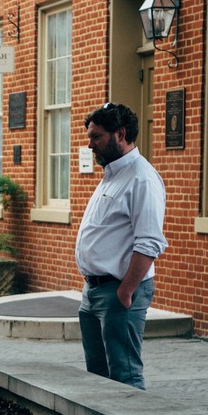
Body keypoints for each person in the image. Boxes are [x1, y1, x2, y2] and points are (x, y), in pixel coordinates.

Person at [74, 102, 167, 390]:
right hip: (94, 291)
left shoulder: (141, 178)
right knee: (98, 378)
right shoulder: (112, 175)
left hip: (119, 291)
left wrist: (126, 291)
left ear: (121, 134)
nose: (90, 145)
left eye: (97, 136)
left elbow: (149, 242)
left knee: (124, 377)